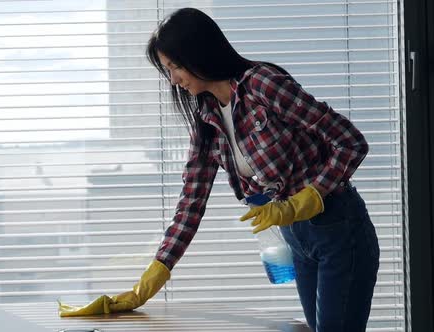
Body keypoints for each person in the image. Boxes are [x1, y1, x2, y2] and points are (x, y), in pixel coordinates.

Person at [58, 7, 380, 332]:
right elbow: (190, 203)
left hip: (339, 231)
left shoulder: (263, 86)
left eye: (175, 67)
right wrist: (155, 273)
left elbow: (350, 142)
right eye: (167, 70)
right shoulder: (207, 117)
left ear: (199, 55)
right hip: (298, 241)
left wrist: (310, 195)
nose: (173, 80)